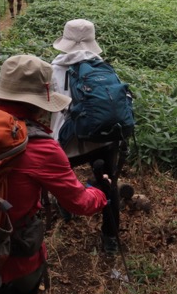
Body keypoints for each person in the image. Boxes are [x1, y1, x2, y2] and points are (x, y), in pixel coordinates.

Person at [0, 54, 109, 294]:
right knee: (24, 293)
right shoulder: (40, 147)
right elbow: (78, 203)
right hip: (15, 239)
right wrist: (102, 193)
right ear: (39, 104)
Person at [49, 19, 123, 254]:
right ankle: (110, 237)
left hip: (69, 140)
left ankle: (66, 206)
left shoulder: (54, 68)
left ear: (66, 41)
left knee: (62, 176)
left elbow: (50, 104)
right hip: (105, 138)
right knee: (108, 182)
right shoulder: (104, 67)